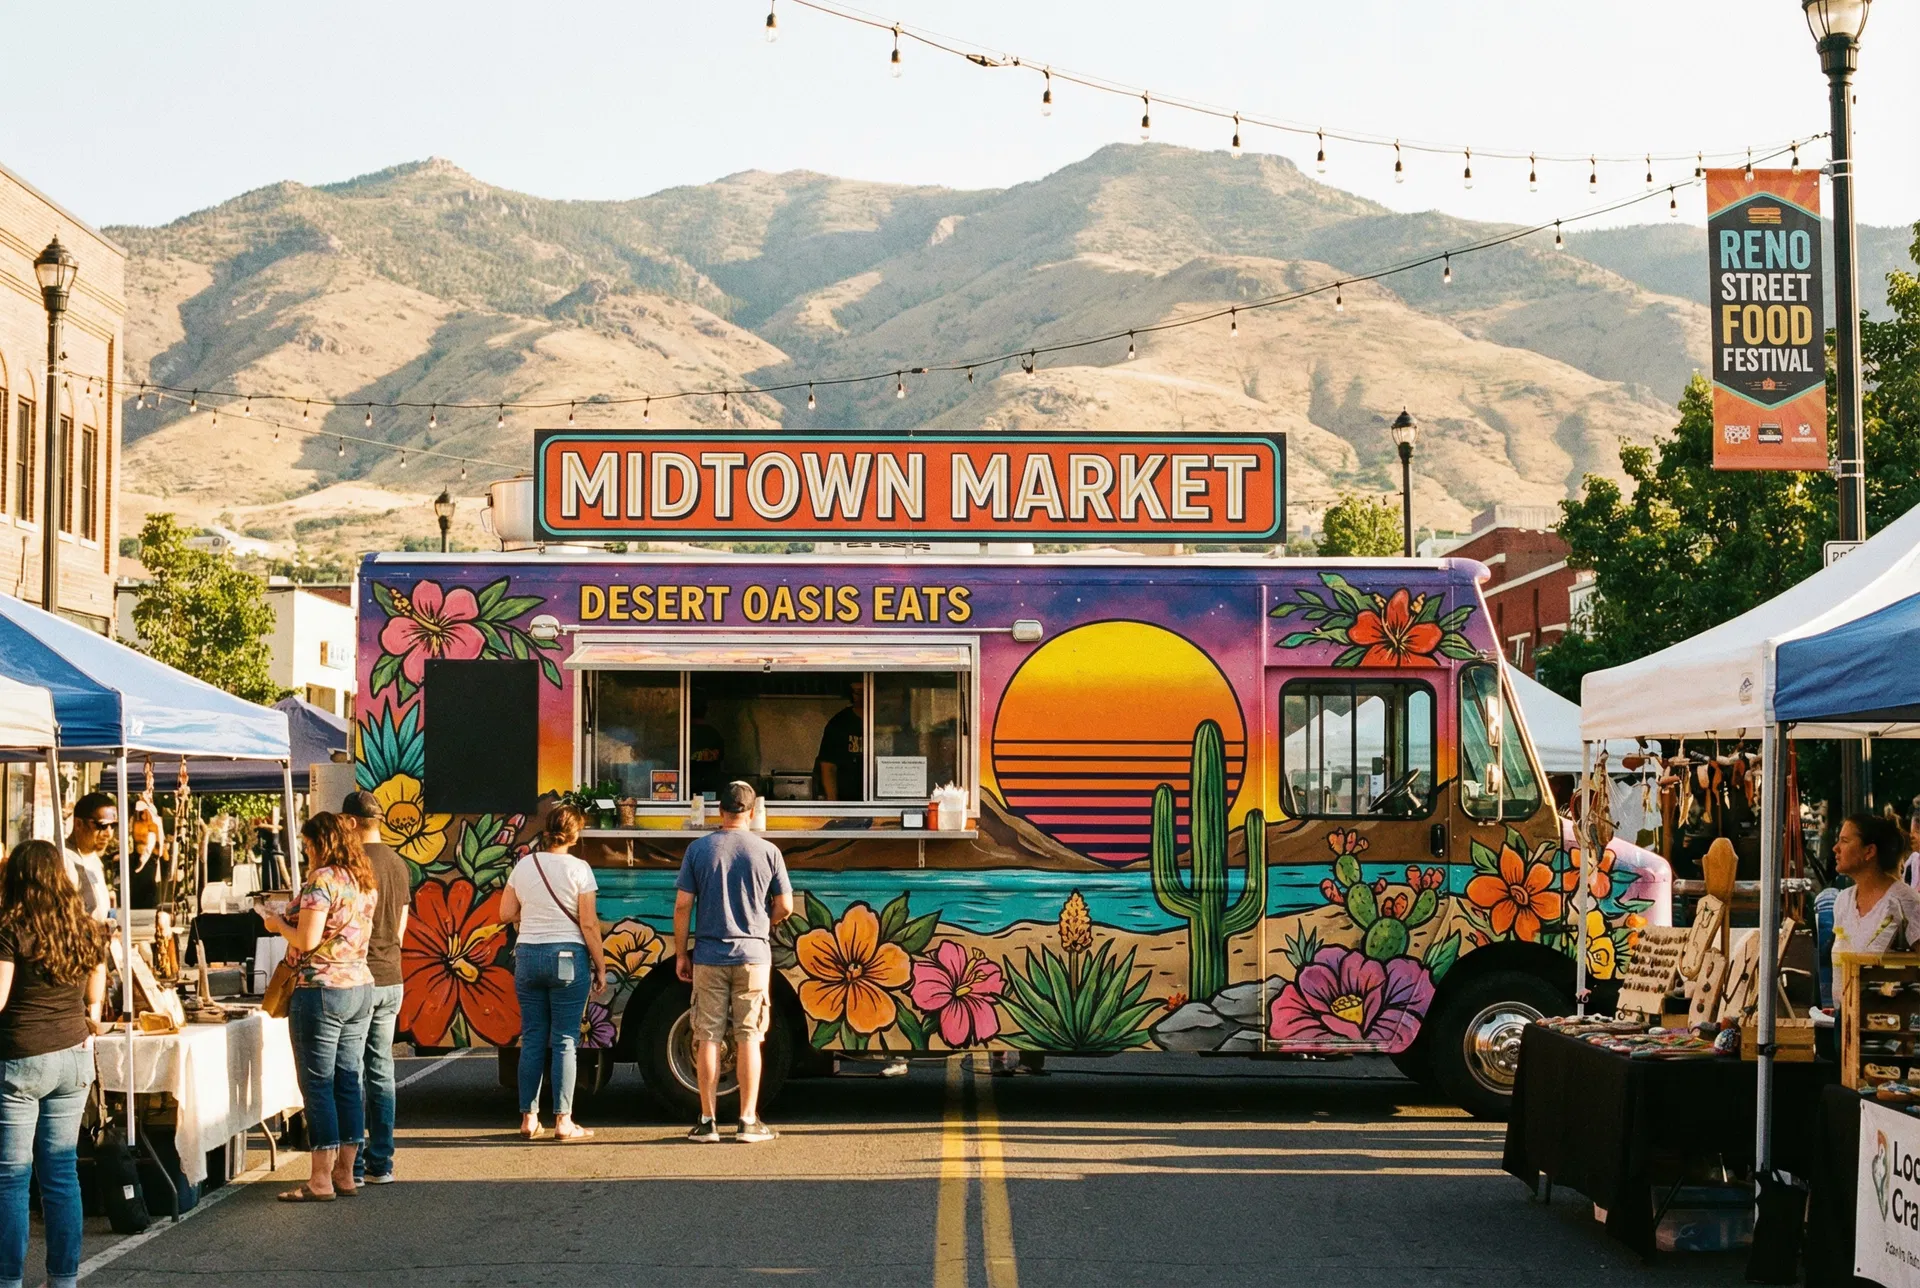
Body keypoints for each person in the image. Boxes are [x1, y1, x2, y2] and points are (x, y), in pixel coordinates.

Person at [0, 841, 107, 1288]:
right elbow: (96, 999)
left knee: (11, 1176)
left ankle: (7, 1279)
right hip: (74, 1056)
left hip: (21, 1058)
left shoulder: (10, 930)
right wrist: (88, 1017)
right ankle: (62, 1280)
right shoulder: (87, 928)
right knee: (61, 1173)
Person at [257, 813, 377, 1202]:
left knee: (318, 1085)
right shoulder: (363, 879)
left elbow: (307, 939)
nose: (306, 851)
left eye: (308, 845)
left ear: (321, 843)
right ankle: (346, 1174)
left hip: (321, 989)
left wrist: (277, 927)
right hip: (360, 986)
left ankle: (320, 1180)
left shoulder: (322, 880)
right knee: (348, 1081)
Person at [674, 781, 793, 1143]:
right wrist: (762, 923)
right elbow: (785, 905)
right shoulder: (768, 851)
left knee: (707, 1037)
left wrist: (681, 953)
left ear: (719, 811)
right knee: (749, 1037)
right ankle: (747, 1121)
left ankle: (707, 1121)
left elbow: (682, 906)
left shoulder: (698, 850)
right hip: (753, 956)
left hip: (709, 956)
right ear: (752, 812)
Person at [501, 804, 605, 1142]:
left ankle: (529, 1118)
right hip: (567, 958)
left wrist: (526, 920)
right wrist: (600, 965)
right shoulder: (580, 869)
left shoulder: (524, 865)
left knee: (532, 1037)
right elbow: (588, 923)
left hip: (528, 956)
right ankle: (563, 1121)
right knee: (564, 1040)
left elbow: (505, 913)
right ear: (575, 834)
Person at [342, 791, 408, 1185]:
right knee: (381, 1069)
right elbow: (401, 926)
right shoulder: (400, 864)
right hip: (392, 976)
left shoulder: (351, 864)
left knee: (349, 1069)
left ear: (351, 823)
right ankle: (382, 1161)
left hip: (358, 976)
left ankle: (351, 1165)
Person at [1829, 812, 1920, 1001]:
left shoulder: (1905, 901)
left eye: (1845, 841)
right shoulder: (1843, 901)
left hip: (1890, 1022)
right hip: (1845, 1019)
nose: (1835, 848)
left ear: (1869, 851)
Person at [61, 792, 114, 922]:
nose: (108, 833)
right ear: (79, 824)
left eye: (113, 826)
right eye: (101, 826)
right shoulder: (63, 859)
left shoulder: (95, 859)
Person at [814, 679, 865, 801]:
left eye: (865, 691)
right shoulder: (839, 723)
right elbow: (828, 766)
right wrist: (833, 804)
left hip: (881, 802)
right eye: (858, 692)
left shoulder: (886, 721)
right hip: (846, 802)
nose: (863, 697)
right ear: (851, 694)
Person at [689, 691, 726, 800]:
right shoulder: (714, 734)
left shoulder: (683, 735)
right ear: (705, 711)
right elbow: (721, 758)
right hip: (711, 789)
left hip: (689, 789)